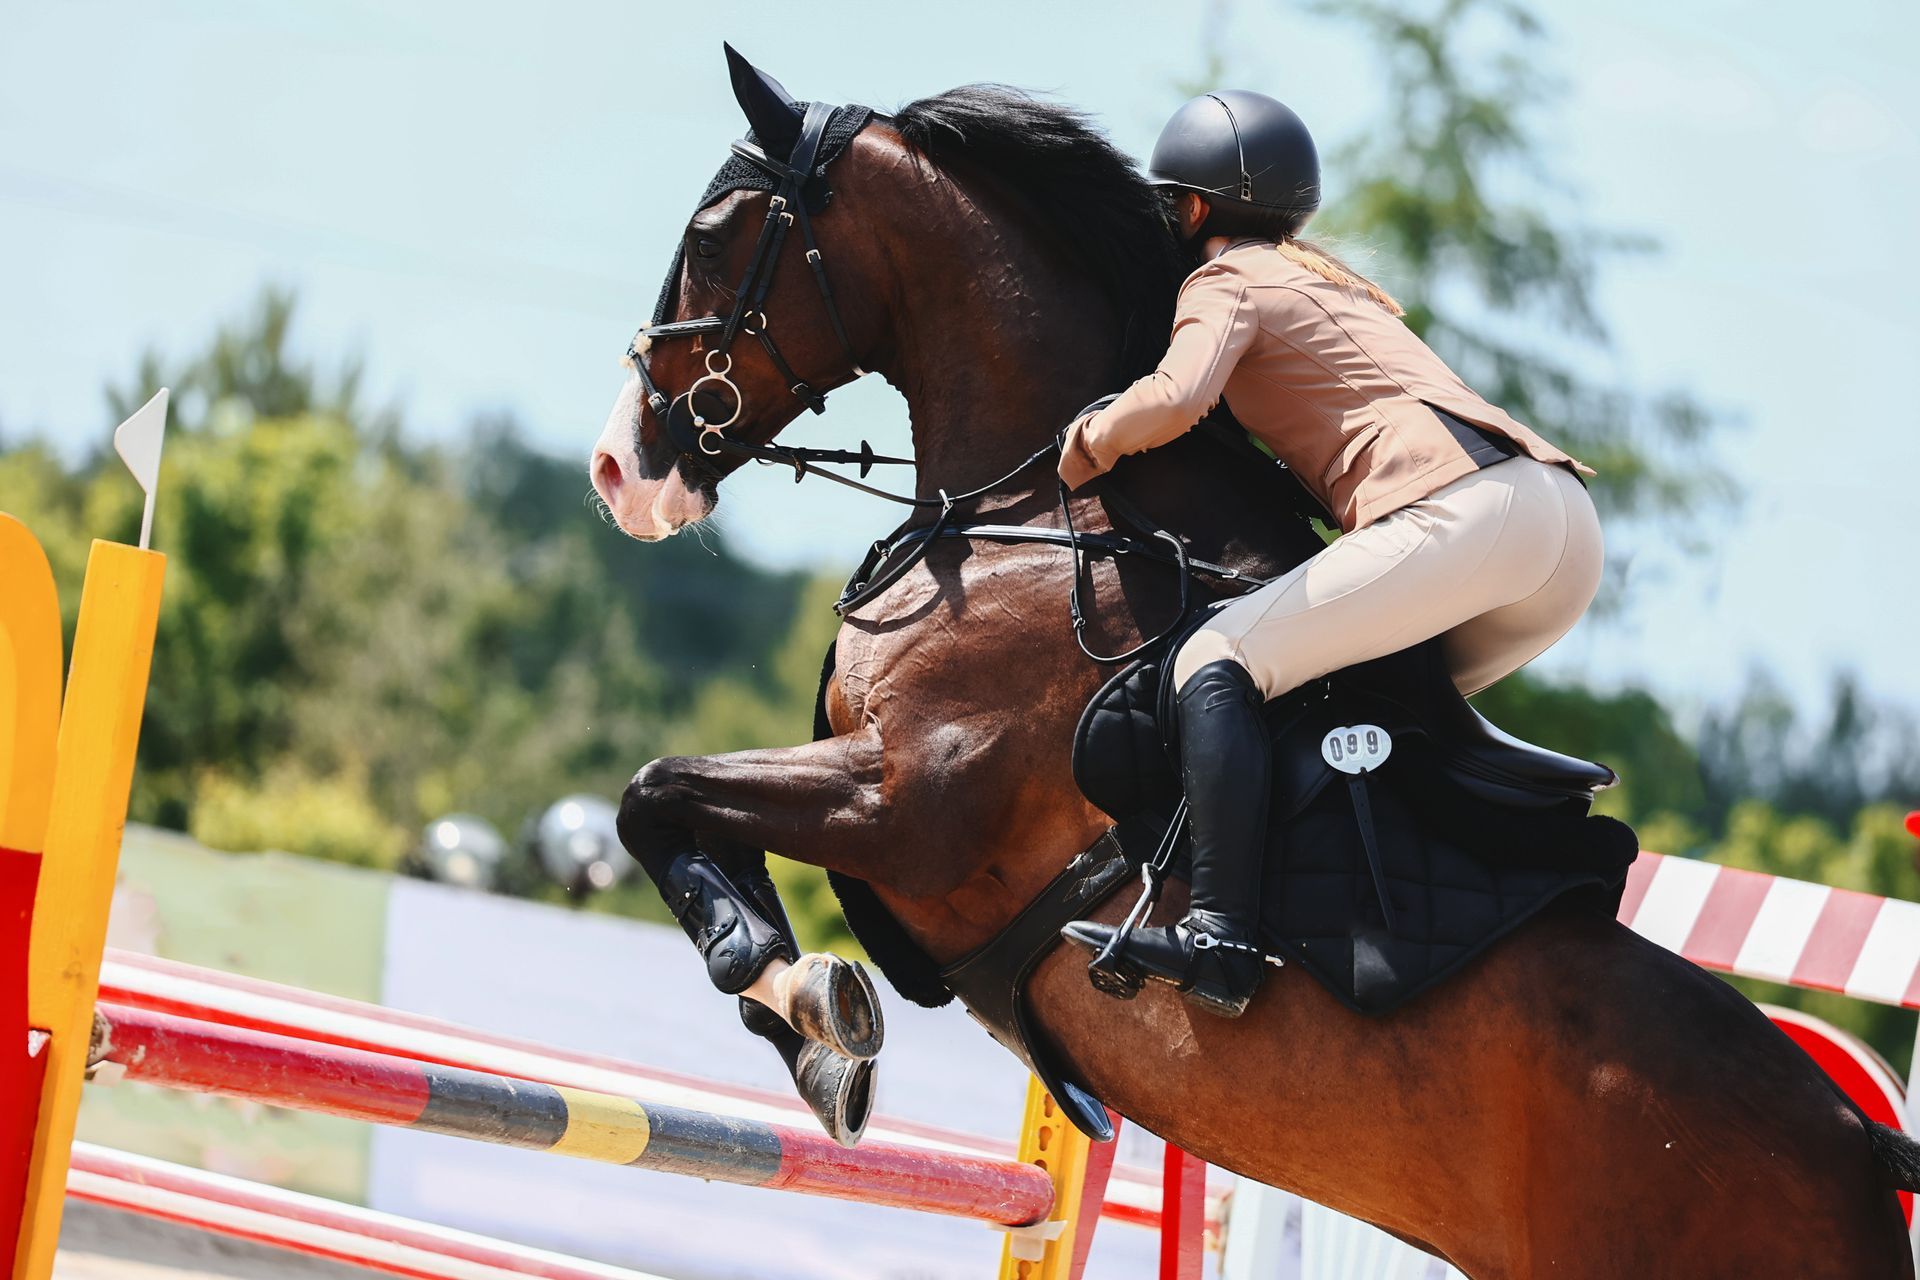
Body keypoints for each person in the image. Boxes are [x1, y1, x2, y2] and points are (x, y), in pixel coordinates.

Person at [1058, 92, 1603, 1018]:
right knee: (1348, 709)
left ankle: (1221, 940)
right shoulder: (1329, 280)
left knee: (1216, 657)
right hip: (1557, 527)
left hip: (1464, 516)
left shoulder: (1224, 278)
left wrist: (1088, 442)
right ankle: (1385, 921)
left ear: (1190, 212)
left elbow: (1178, 396)